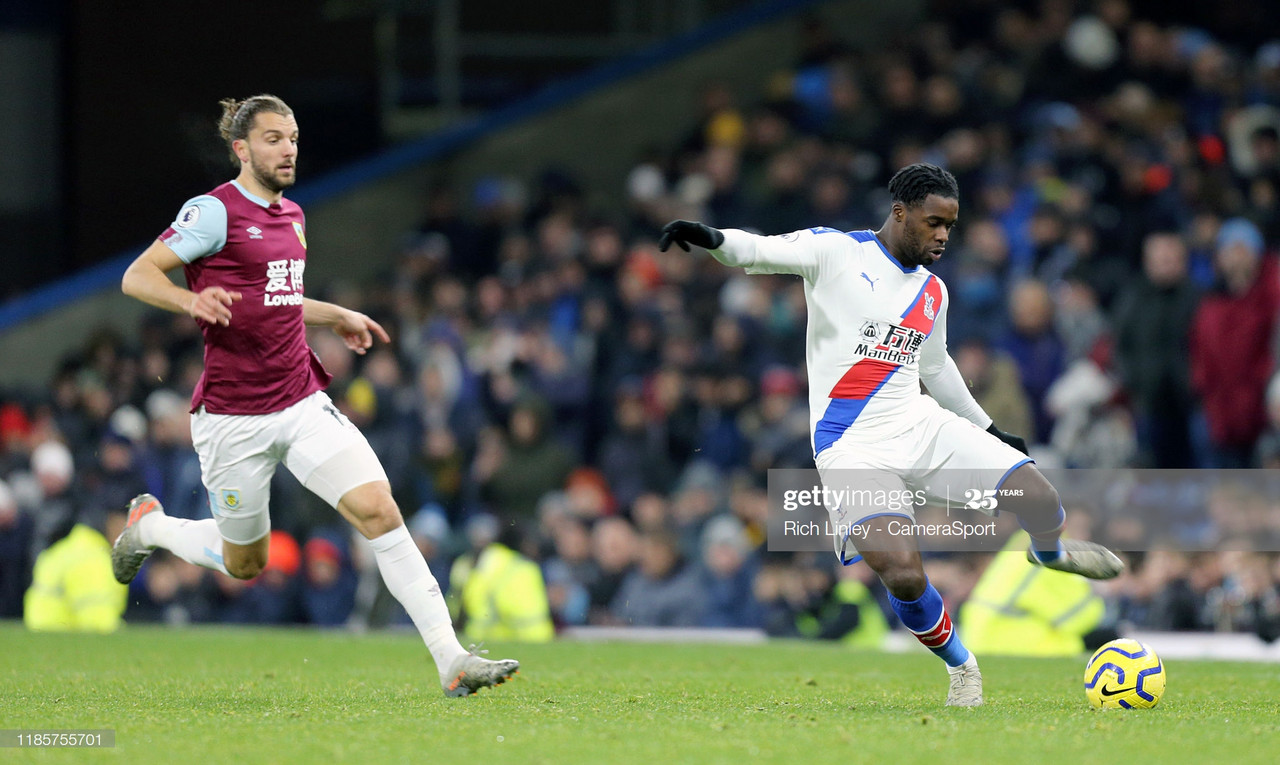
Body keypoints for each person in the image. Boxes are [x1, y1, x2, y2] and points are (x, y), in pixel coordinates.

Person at [658, 163, 1122, 706]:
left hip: (918, 425)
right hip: (850, 445)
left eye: (950, 225)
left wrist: (990, 429)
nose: (944, 235)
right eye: (934, 223)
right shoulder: (836, 253)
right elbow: (758, 250)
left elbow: (937, 367)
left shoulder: (932, 292)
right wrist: (709, 238)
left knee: (1040, 498)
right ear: (899, 213)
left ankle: (1048, 554)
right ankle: (962, 667)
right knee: (902, 572)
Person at [111, 94, 517, 696]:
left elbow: (276, 301)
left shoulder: (294, 216)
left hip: (301, 403)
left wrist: (333, 315)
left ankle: (451, 659)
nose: (288, 149)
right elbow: (138, 275)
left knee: (380, 510)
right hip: (232, 419)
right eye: (273, 138)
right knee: (245, 563)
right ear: (241, 149)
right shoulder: (213, 211)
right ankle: (150, 529)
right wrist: (189, 299)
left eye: (293, 138)